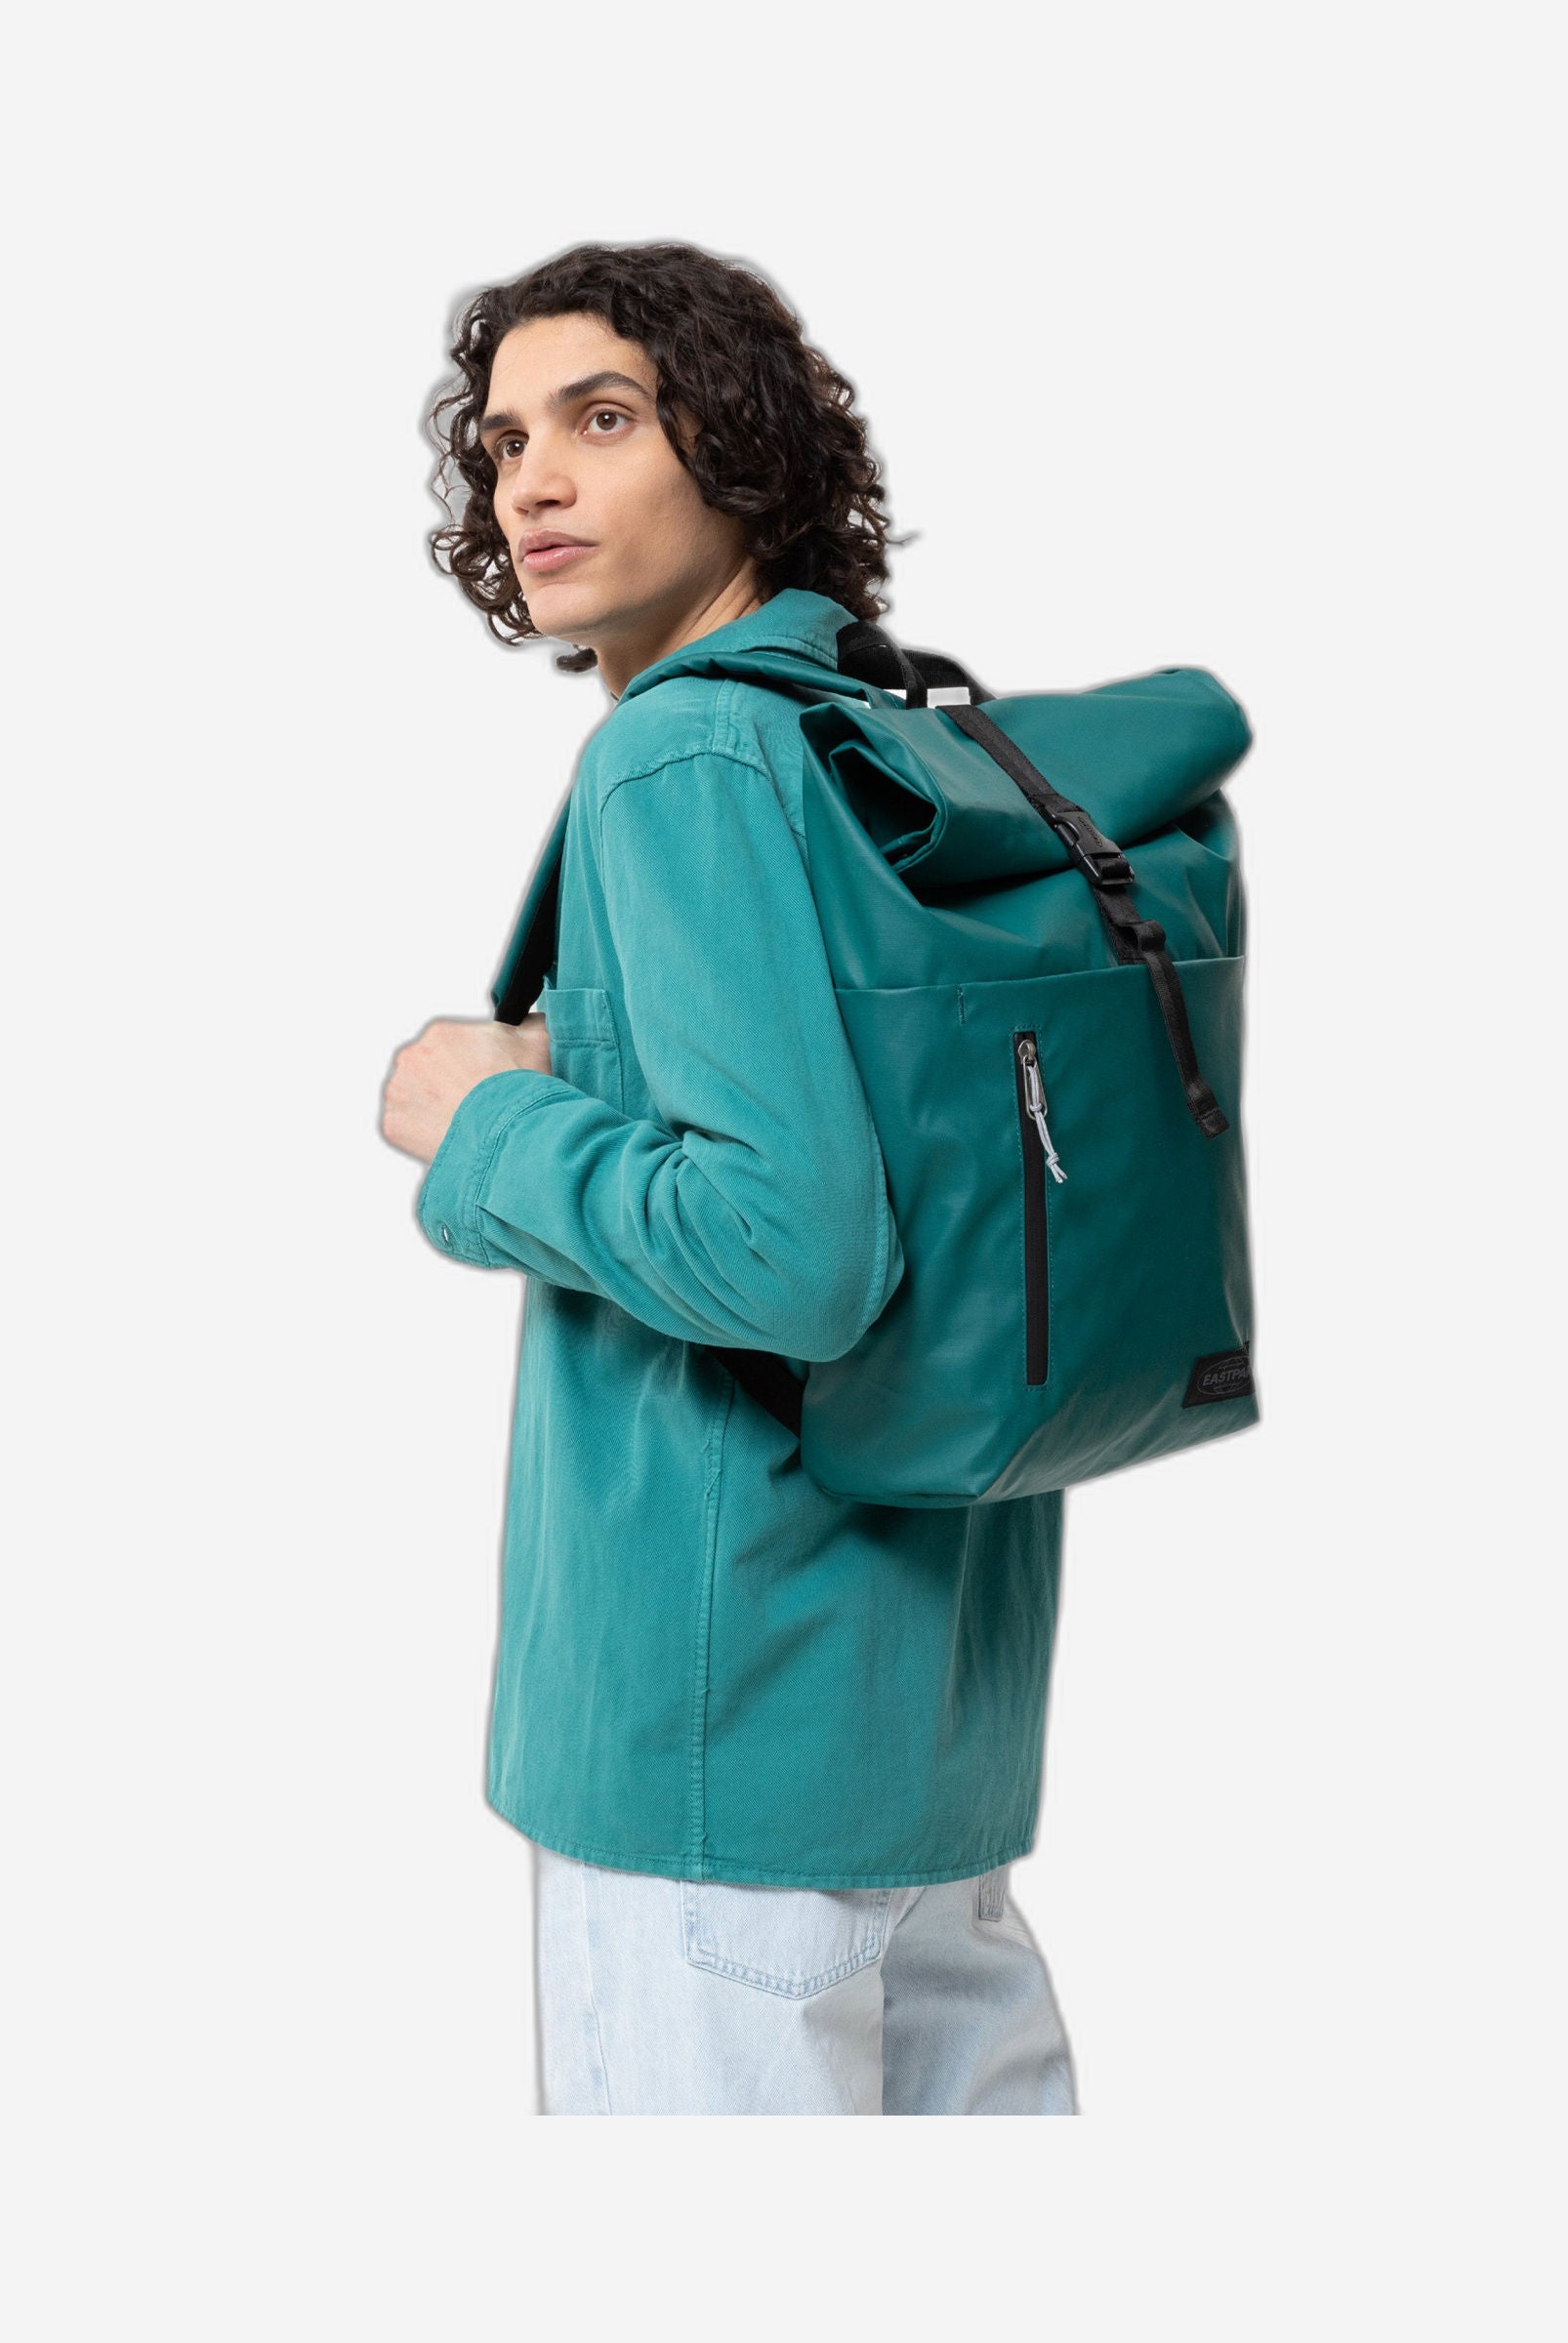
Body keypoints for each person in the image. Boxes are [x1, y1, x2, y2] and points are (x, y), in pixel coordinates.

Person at [380, 242, 1075, 2115]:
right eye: (504, 440)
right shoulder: (876, 731)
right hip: (924, 1735)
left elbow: (795, 1252)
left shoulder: (678, 754)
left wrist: (480, 1124)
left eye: (602, 419)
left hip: (712, 1747)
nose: (532, 480)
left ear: (740, 450)